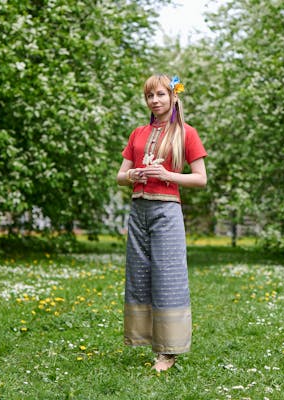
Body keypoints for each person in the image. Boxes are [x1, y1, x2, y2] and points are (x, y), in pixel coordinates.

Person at [116, 74, 207, 372]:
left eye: (160, 95)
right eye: (149, 96)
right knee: (140, 274)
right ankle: (145, 338)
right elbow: (120, 175)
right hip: (138, 209)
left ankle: (168, 352)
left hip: (167, 211)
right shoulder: (137, 133)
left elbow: (200, 178)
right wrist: (133, 175)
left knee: (168, 277)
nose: (155, 100)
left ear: (173, 97)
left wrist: (167, 176)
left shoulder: (186, 133)